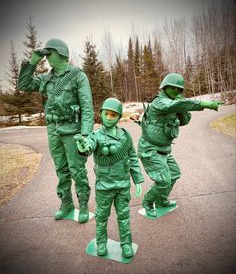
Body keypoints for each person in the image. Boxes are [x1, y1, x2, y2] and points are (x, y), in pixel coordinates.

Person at [18, 38, 94, 223]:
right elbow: (23, 86)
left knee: (77, 170)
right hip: (53, 130)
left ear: (60, 53)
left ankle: (83, 205)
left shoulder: (77, 76)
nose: (46, 57)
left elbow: (87, 107)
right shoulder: (47, 78)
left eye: (48, 53)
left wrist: (85, 135)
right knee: (61, 169)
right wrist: (32, 62)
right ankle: (66, 203)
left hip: (73, 131)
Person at [137, 73, 224, 217]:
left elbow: (184, 121)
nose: (177, 92)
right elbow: (174, 105)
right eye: (174, 89)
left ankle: (161, 200)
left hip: (164, 149)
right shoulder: (160, 102)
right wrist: (204, 104)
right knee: (163, 181)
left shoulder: (174, 104)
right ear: (165, 87)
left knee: (174, 173)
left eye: (180, 90)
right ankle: (148, 202)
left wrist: (181, 104)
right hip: (150, 149)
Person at [74, 97, 143, 258]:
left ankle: (126, 244)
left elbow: (132, 157)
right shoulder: (95, 136)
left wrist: (138, 179)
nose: (109, 118)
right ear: (102, 114)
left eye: (113, 115)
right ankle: (101, 243)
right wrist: (83, 148)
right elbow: (88, 146)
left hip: (123, 184)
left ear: (119, 117)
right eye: (106, 114)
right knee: (102, 217)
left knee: (124, 216)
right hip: (104, 186)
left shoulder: (125, 136)